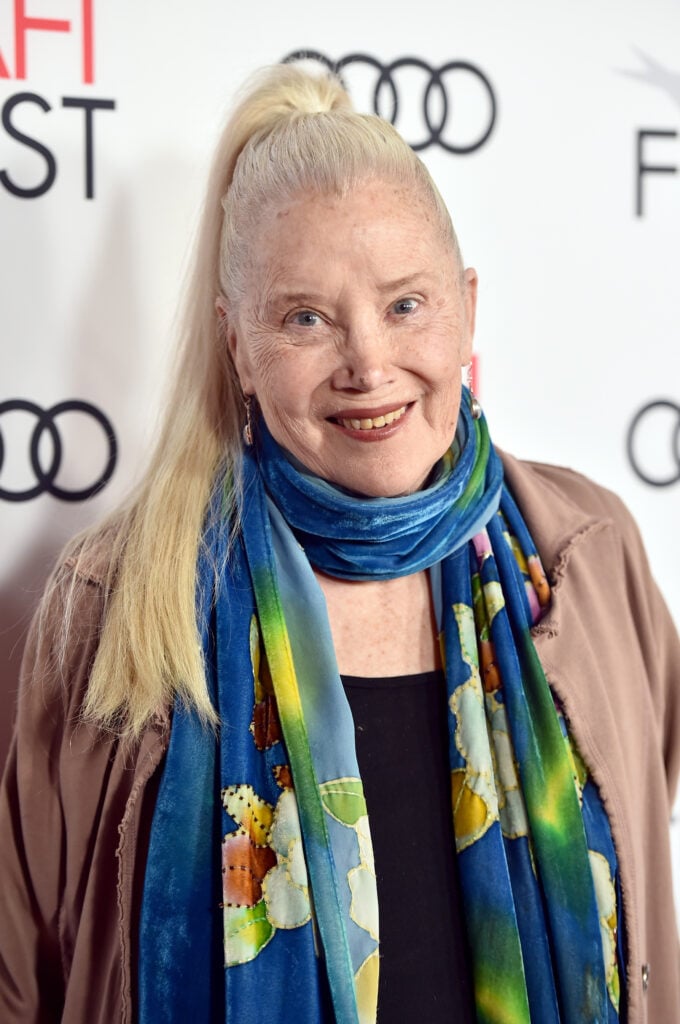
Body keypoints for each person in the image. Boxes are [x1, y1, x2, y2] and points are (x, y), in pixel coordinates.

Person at [0, 64, 678, 1024]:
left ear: (467, 309)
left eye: (406, 305)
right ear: (238, 345)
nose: (369, 363)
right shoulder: (115, 604)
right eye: (306, 318)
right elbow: (21, 973)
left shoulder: (587, 558)